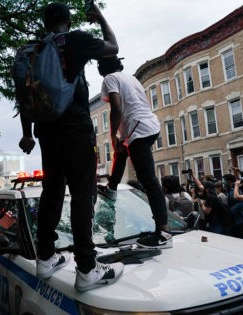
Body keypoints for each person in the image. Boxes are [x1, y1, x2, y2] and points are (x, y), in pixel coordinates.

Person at [26, 3, 123, 292]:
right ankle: (87, 268)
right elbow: (113, 47)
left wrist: (27, 133)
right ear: (68, 21)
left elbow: (24, 94)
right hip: (76, 128)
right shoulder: (75, 40)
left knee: (52, 191)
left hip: (46, 131)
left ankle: (45, 257)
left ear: (45, 24)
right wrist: (101, 17)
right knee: (83, 193)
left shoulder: (34, 50)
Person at [97, 55, 172, 249]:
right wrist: (120, 140)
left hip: (138, 128)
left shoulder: (110, 78)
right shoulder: (130, 78)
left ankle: (163, 231)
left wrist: (113, 136)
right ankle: (112, 188)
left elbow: (116, 108)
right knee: (121, 153)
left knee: (148, 179)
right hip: (148, 125)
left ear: (102, 68)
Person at [223, 174, 243, 239]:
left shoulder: (236, 190)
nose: (224, 182)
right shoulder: (229, 190)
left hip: (239, 220)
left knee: (241, 239)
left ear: (229, 181)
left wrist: (230, 211)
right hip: (233, 220)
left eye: (225, 180)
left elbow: (242, 203)